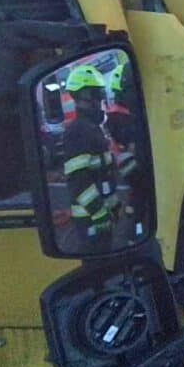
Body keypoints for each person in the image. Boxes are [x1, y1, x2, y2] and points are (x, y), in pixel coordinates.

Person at [60, 64, 122, 250]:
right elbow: (79, 181)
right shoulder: (78, 131)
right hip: (90, 219)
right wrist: (98, 213)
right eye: (96, 94)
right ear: (84, 96)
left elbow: (103, 172)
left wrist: (113, 204)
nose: (100, 100)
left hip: (102, 213)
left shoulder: (92, 128)